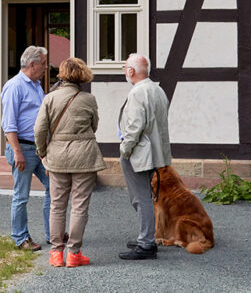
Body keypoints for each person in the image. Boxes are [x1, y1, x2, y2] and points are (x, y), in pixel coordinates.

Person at [34, 56, 105, 268]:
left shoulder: (50, 98)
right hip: (84, 156)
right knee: (80, 206)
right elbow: (94, 126)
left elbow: (39, 130)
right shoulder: (89, 99)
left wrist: (42, 152)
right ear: (82, 75)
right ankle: (74, 253)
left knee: (57, 205)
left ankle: (56, 254)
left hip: (57, 156)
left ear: (62, 73)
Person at [117, 52, 171, 260]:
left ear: (131, 71)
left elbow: (134, 127)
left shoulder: (138, 92)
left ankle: (146, 243)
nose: (125, 73)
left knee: (141, 198)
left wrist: (125, 149)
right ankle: (146, 237)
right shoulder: (158, 90)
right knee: (145, 197)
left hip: (139, 153)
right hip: (154, 152)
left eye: (125, 69)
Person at [0, 45, 51, 250]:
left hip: (38, 150)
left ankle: (53, 233)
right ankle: (21, 239)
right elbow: (9, 125)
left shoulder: (36, 85)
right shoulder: (15, 86)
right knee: (21, 196)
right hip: (22, 148)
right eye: (44, 64)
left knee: (54, 187)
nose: (47, 67)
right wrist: (18, 153)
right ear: (32, 64)